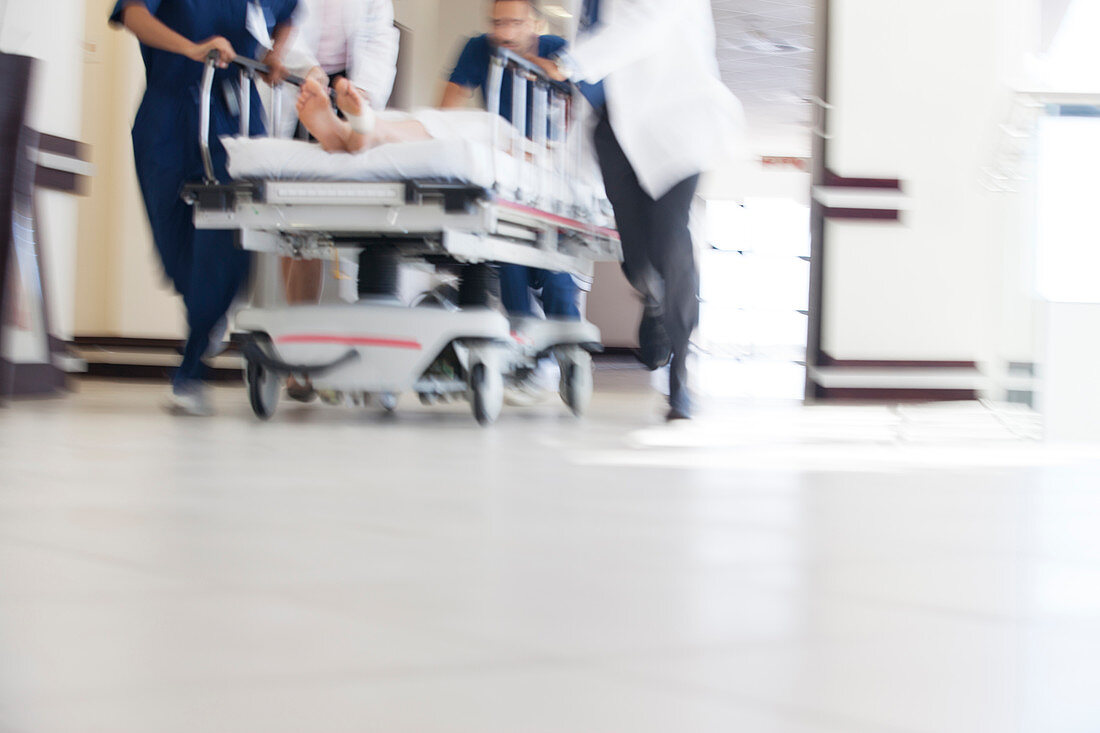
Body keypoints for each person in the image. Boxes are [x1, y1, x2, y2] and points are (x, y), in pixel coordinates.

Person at [527, 0, 740, 420]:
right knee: (637, 260)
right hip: (614, 126)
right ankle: (652, 295)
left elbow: (647, 23)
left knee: (670, 239)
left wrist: (571, 62)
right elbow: (594, 34)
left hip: (676, 118)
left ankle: (680, 376)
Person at [110, 0, 298, 416]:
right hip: (168, 112)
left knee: (226, 246)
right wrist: (190, 48)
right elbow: (132, 14)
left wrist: (275, 55)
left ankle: (192, 364)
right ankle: (206, 313)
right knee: (174, 250)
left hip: (233, 114)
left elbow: (288, 11)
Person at [273, 0, 399, 403]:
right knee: (297, 232)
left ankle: (351, 124)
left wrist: (362, 90)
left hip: (349, 86)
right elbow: (274, 21)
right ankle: (303, 356)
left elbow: (380, 36)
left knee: (324, 227)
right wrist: (305, 67)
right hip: (301, 88)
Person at [441, 0, 579, 322]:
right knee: (511, 272)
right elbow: (447, 108)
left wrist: (526, 62)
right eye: (497, 23)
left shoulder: (557, 49)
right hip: (504, 174)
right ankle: (525, 358)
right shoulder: (478, 48)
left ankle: (567, 357)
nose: (504, 32)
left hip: (548, 177)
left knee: (557, 284)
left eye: (515, 23)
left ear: (535, 22)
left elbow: (580, 98)